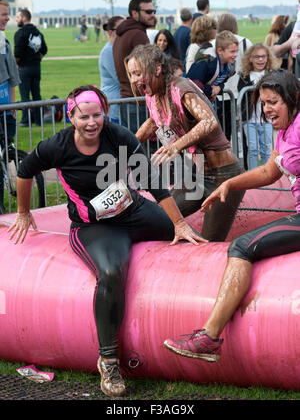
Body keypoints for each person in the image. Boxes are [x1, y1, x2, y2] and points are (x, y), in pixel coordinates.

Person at [7, 85, 204, 398]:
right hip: (95, 228)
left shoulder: (118, 136)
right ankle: (109, 359)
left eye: (97, 115)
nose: (91, 122)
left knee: (191, 240)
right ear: (70, 116)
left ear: (105, 114)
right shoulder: (57, 146)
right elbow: (27, 169)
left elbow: (152, 181)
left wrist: (178, 224)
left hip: (133, 211)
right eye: (84, 116)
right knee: (111, 273)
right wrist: (22, 211)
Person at [164, 69, 300, 362]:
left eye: (274, 101)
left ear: (293, 99)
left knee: (241, 246)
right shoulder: (285, 133)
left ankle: (209, 338)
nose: (267, 109)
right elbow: (269, 171)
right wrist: (229, 184)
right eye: (264, 102)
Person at [125, 44, 245, 242]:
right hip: (197, 175)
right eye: (131, 74)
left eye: (137, 73)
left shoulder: (181, 88)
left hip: (225, 176)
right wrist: (128, 144)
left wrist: (175, 146)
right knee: (160, 217)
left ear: (157, 68)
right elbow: (154, 122)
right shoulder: (154, 95)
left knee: (210, 242)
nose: (134, 80)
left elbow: (209, 122)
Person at [203, 13, 252, 140]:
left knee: (222, 136)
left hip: (219, 94)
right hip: (239, 94)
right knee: (242, 135)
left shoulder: (211, 44)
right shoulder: (245, 42)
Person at [113, 0, 156, 133]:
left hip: (127, 101)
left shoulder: (121, 34)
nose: (152, 15)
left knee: (132, 148)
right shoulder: (138, 35)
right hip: (139, 102)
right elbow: (150, 68)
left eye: (153, 11)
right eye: (148, 12)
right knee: (144, 149)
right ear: (135, 13)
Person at [238, 43, 280, 170]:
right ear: (250, 58)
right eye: (256, 57)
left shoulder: (271, 74)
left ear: (268, 58)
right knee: (253, 148)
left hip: (266, 118)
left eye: (263, 56)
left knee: (267, 147)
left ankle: (268, 175)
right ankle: (253, 175)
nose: (260, 60)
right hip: (249, 119)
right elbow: (241, 91)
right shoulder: (245, 76)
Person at [0, 0, 20, 207]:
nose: (7, 17)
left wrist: (13, 106)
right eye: (3, 14)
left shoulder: (3, 41)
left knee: (6, 155)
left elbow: (12, 77)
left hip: (5, 110)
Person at [186, 30, 238, 110]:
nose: (235, 55)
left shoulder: (229, 66)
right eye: (232, 52)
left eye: (236, 51)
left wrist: (219, 88)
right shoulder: (206, 62)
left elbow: (221, 82)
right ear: (220, 51)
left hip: (207, 101)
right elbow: (192, 83)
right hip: (193, 103)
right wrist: (211, 90)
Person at [14, 9, 48, 126]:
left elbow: (17, 53)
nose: (16, 20)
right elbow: (44, 49)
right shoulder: (38, 33)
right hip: (36, 68)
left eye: (18, 17)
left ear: (24, 18)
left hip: (24, 68)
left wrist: (17, 64)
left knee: (25, 96)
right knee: (36, 95)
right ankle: (39, 120)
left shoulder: (20, 33)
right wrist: (37, 59)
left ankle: (25, 121)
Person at [99, 16, 124, 123]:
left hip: (119, 104)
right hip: (112, 107)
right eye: (120, 29)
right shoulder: (108, 51)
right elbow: (121, 78)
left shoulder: (119, 48)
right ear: (110, 32)